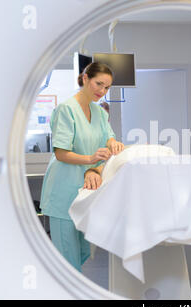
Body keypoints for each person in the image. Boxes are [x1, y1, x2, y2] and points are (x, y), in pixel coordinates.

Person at [40, 62, 125, 272]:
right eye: (99, 84)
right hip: (63, 191)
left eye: (107, 87)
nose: (102, 91)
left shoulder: (100, 113)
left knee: (81, 253)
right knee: (67, 260)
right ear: (85, 78)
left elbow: (109, 137)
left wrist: (112, 144)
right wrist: (90, 160)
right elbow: (60, 152)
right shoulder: (66, 110)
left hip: (86, 191)